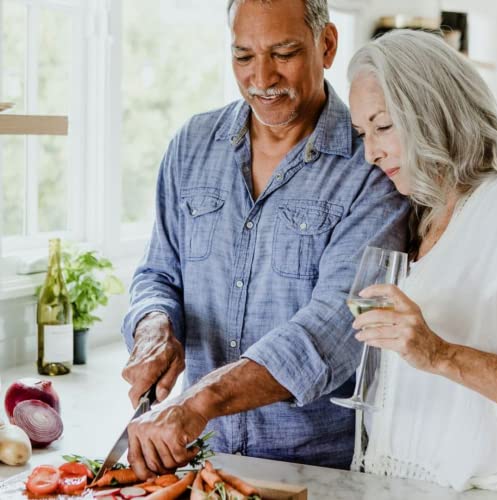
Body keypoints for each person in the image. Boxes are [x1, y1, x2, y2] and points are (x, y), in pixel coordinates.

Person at [121, 0, 408, 480]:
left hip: (315, 472)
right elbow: (158, 273)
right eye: (243, 56)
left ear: (327, 44)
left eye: (284, 53)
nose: (262, 77)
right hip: (200, 461)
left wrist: (201, 399)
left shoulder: (373, 164)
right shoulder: (191, 145)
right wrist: (154, 326)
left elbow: (336, 327)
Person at [347, 29, 497, 491]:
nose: (371, 151)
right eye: (361, 133)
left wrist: (440, 354)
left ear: (431, 109)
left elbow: (431, 356)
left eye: (383, 126)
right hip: (399, 483)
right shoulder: (421, 214)